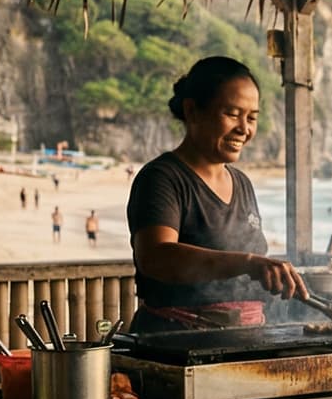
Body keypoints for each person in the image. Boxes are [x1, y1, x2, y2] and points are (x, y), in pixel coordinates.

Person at [128, 56, 304, 331]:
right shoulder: (163, 178)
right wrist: (248, 263)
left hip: (246, 340)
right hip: (175, 344)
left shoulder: (242, 183)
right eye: (232, 114)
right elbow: (155, 257)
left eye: (252, 118)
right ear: (193, 111)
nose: (244, 129)